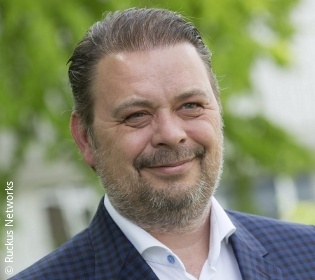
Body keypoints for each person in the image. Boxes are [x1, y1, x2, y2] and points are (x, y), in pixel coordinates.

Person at [11, 7, 315, 280]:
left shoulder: (308, 254)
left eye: (191, 106)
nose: (170, 134)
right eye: (137, 115)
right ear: (85, 138)